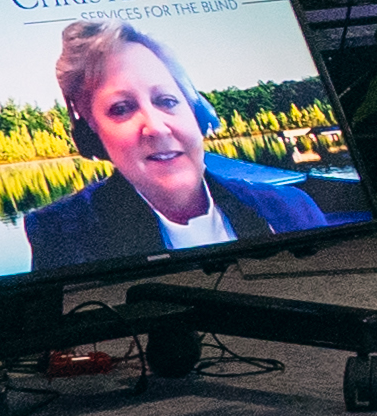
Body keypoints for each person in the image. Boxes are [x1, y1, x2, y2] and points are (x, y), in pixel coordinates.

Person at [20, 21, 329, 269]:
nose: (155, 127)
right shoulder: (60, 232)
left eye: (167, 101)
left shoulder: (290, 207)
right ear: (93, 136)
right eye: (121, 108)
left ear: (198, 114)